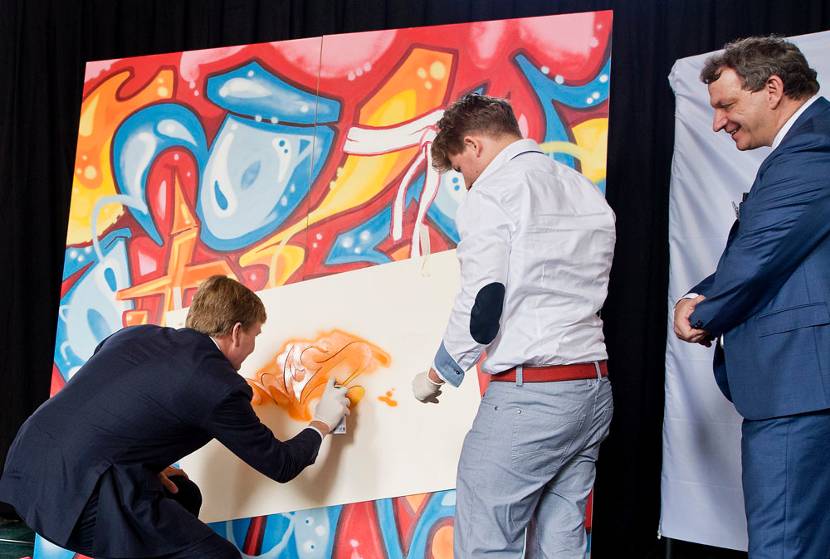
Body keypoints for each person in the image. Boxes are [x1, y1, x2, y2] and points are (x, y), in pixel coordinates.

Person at [0, 275, 350, 558]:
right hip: (74, 501)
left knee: (184, 494)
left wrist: (146, 464)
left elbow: (109, 406)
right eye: (256, 335)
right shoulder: (219, 385)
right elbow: (281, 464)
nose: (254, 345)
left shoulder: (134, 335)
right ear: (236, 331)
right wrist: (322, 421)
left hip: (27, 468)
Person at [411, 93, 616, 557]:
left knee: (487, 539)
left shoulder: (494, 192)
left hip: (533, 394)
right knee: (562, 536)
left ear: (473, 144)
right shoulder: (580, 187)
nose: (465, 182)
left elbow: (484, 304)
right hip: (592, 386)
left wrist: (437, 373)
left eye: (460, 171)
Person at [673, 36, 830, 558]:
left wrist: (703, 314)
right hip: (807, 387)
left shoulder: (812, 146)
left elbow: (761, 253)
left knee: (782, 546)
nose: (718, 123)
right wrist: (699, 293)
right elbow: (776, 246)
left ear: (773, 88)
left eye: (726, 106)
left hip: (799, 387)